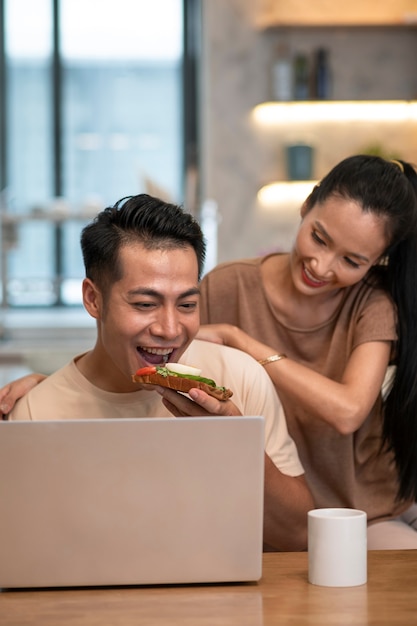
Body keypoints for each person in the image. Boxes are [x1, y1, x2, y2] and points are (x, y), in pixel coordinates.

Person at [2, 193, 313, 551]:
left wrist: (234, 443)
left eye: (187, 304)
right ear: (93, 299)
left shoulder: (239, 377)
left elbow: (299, 537)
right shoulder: (33, 413)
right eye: (145, 304)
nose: (169, 329)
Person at [197, 154, 417, 549]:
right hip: (258, 515)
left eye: (351, 261)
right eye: (319, 237)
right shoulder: (225, 287)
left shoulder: (373, 305)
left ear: (376, 262)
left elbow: (348, 411)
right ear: (306, 206)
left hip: (360, 515)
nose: (321, 265)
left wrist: (241, 340)